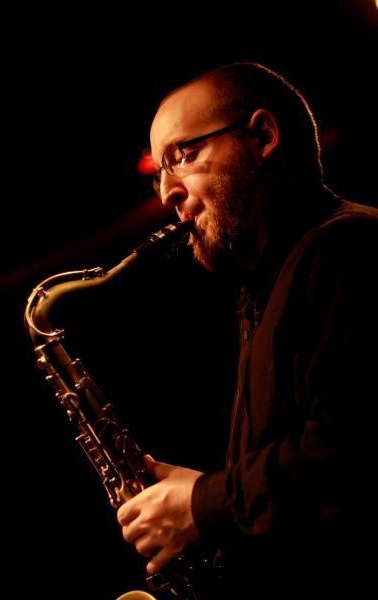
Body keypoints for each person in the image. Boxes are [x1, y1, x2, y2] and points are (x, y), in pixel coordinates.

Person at [116, 62, 378, 597]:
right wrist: (200, 497)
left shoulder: (350, 249)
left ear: (262, 136)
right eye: (158, 172)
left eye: (182, 156)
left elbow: (352, 451)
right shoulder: (263, 289)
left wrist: (203, 505)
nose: (166, 193)